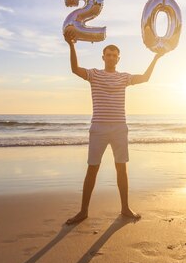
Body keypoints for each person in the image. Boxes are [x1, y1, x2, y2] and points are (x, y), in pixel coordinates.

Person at [64, 30, 164, 225]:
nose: (111, 57)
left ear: (118, 59)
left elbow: (145, 78)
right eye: (108, 54)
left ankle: (125, 208)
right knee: (92, 169)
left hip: (119, 128)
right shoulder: (94, 74)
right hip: (98, 128)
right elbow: (75, 69)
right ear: (103, 57)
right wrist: (71, 44)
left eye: (114, 55)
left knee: (121, 169)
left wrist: (156, 57)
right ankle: (83, 211)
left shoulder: (124, 78)